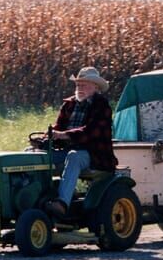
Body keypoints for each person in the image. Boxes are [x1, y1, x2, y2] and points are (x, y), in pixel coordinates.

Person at [32, 67, 118, 219]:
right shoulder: (69, 104)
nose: (80, 88)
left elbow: (91, 133)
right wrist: (44, 140)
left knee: (74, 157)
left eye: (84, 85)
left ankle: (62, 204)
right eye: (78, 85)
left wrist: (64, 135)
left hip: (94, 155)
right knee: (31, 156)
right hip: (67, 150)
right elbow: (58, 128)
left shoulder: (102, 106)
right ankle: (35, 200)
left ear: (96, 87)